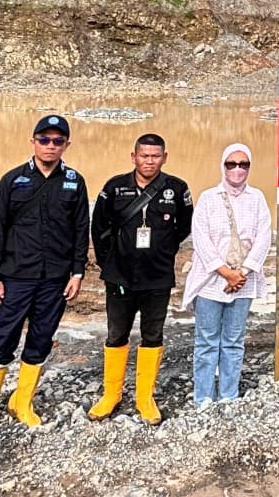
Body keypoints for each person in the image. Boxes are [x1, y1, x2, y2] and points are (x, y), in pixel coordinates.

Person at [0, 114, 89, 431]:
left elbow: (81, 229)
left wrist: (78, 271)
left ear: (66, 144)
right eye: (44, 139)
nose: (50, 145)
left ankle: (21, 402)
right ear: (33, 141)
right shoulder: (12, 180)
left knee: (40, 339)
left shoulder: (74, 182)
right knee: (0, 339)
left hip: (55, 279)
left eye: (57, 140)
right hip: (15, 277)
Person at [88, 133, 193, 424]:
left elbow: (183, 227)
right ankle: (112, 395)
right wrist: (110, 261)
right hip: (120, 275)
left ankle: (144, 397)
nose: (149, 161)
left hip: (157, 276)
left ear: (164, 157)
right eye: (144, 155)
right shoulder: (114, 187)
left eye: (155, 155)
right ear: (133, 157)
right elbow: (99, 228)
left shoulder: (177, 189)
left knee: (152, 335)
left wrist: (163, 250)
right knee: (116, 334)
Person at [182, 142, 272, 405]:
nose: (237, 169)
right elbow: (201, 239)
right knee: (207, 342)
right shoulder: (209, 198)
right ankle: (203, 399)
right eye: (231, 164)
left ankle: (229, 397)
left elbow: (264, 237)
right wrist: (226, 272)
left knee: (233, 341)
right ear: (223, 166)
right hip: (212, 280)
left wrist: (242, 272)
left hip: (243, 280)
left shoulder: (257, 199)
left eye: (243, 164)